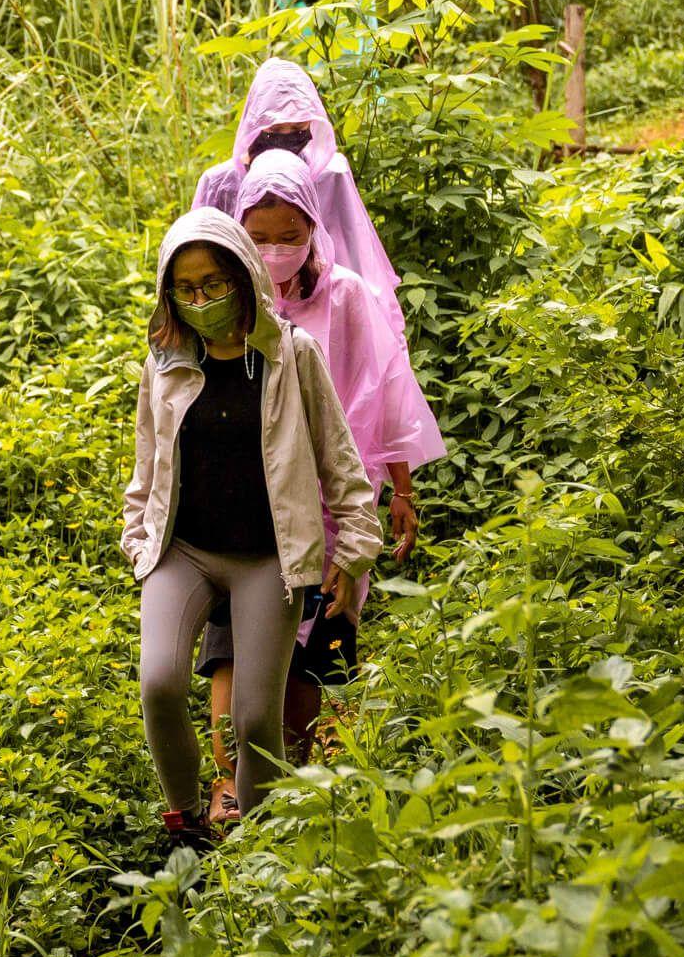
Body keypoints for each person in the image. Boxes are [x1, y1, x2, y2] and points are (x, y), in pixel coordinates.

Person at [199, 149, 448, 821]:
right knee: (232, 644)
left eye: (290, 236)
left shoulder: (348, 298)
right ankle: (230, 786)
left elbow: (388, 395)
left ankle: (297, 777)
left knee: (320, 647)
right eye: (260, 237)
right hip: (244, 504)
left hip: (334, 502)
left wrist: (400, 490)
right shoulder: (221, 300)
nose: (276, 251)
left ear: (315, 226)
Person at [122, 208, 381, 849]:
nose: (201, 300)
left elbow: (340, 463)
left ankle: (257, 840)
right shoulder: (166, 365)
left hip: (269, 558)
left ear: (244, 280)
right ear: (169, 294)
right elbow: (148, 463)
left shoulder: (293, 357)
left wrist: (351, 555)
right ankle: (185, 820)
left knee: (256, 717)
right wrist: (139, 540)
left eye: (213, 283)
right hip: (185, 551)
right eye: (185, 289)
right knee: (159, 681)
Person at [191, 57, 403, 339]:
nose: (286, 138)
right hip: (241, 321)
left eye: (296, 129)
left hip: (323, 316)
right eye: (275, 130)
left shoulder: (330, 176)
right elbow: (197, 263)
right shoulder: (221, 184)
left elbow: (358, 257)